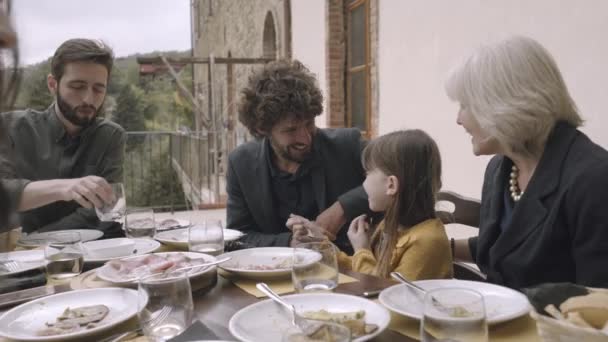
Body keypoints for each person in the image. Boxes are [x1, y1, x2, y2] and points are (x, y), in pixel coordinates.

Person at [446, 35, 608, 289]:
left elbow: (599, 302)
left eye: (466, 105)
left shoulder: (594, 179)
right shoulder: (500, 167)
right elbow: (503, 248)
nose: (458, 119)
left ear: (502, 105)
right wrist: (439, 247)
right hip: (495, 324)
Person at [227, 59, 371, 253]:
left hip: (348, 273)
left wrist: (341, 209)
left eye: (309, 123)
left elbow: (400, 172)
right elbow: (237, 237)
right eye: (291, 130)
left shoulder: (348, 145)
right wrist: (289, 243)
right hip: (272, 277)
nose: (305, 138)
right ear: (263, 129)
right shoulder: (240, 163)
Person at [0, 38, 125, 236]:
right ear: (53, 84)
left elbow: (104, 209)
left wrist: (38, 241)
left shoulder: (110, 136)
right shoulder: (10, 128)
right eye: (77, 86)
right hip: (18, 259)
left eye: (98, 89)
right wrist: (64, 188)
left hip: (90, 253)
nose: (88, 99)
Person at [293, 130, 453, 280]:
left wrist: (362, 249)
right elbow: (361, 267)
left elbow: (385, 292)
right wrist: (320, 242)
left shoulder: (427, 241)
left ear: (391, 185)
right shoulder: (392, 225)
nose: (364, 183)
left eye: (367, 173)